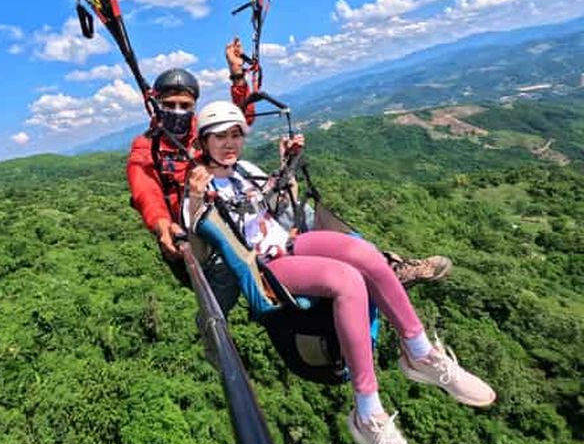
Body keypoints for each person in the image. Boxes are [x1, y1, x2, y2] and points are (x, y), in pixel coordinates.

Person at [185, 101, 496, 444]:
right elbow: (198, 247)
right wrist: (197, 198)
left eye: (235, 135)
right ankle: (368, 413)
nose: (230, 144)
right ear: (204, 142)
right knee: (346, 280)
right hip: (266, 266)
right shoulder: (199, 187)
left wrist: (287, 166)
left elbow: (281, 203)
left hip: (289, 242)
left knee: (363, 251)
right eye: (220, 137)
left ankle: (419, 353)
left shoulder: (245, 172)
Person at [126, 38, 451, 287]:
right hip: (196, 229)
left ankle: (383, 263)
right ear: (156, 105)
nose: (179, 111)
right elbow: (146, 193)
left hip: (231, 209)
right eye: (170, 104)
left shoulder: (201, 132)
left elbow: (239, 119)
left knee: (294, 208)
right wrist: (160, 226)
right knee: (226, 281)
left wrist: (237, 73)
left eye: (186, 105)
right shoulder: (147, 149)